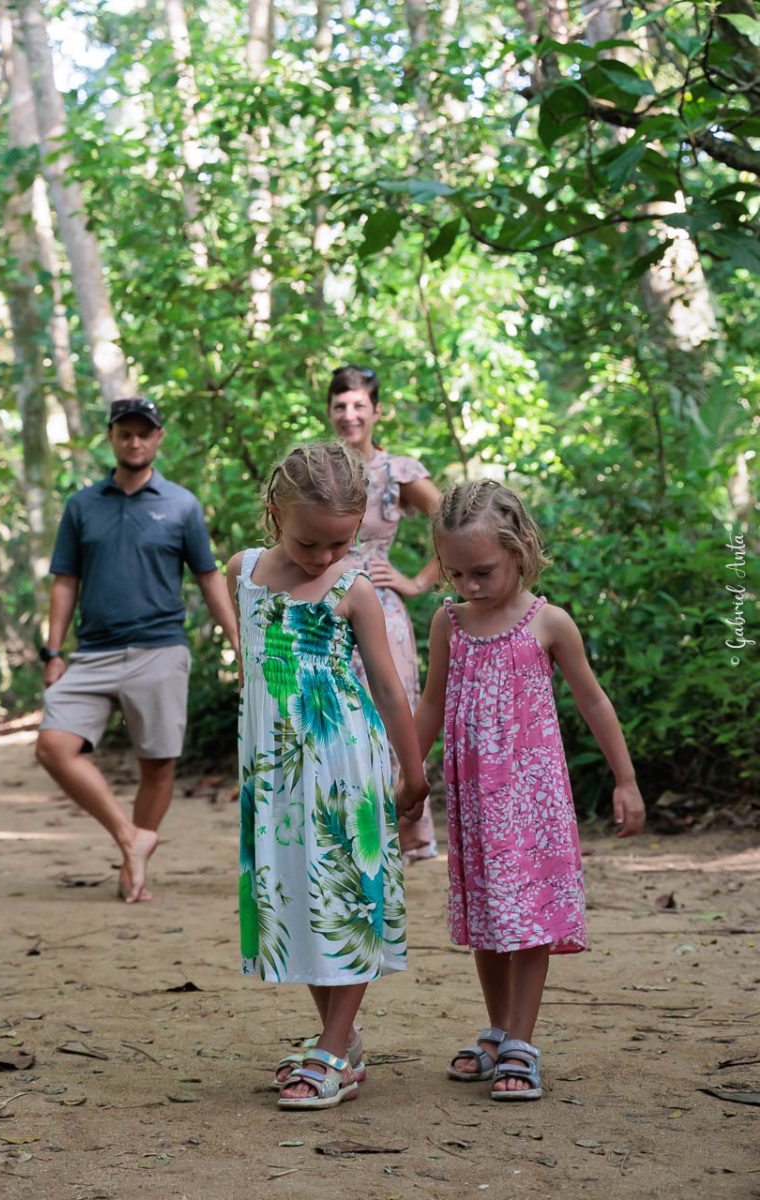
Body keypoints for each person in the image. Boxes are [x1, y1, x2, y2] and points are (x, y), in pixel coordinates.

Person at [413, 479, 645, 1101]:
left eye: (482, 571)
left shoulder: (549, 623)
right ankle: (494, 1030)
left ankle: (522, 1040)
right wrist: (408, 772)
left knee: (529, 919)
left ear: (520, 549)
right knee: (488, 917)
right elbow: (431, 702)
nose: (469, 585)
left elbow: (593, 701)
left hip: (531, 799)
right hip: (472, 799)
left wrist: (625, 781)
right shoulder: (449, 623)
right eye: (456, 573)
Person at [226, 442, 429, 1111]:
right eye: (311, 543)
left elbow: (392, 692)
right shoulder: (243, 573)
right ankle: (339, 1040)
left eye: (339, 545)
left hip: (344, 771)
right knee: (300, 907)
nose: (324, 559)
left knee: (345, 906)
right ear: (276, 511)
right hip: (275, 776)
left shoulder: (355, 589)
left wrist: (413, 774)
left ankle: (333, 1047)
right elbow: (255, 667)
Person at [35, 397, 239, 905]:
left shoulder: (182, 505)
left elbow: (209, 578)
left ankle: (134, 868)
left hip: (160, 650)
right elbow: (65, 581)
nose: (134, 441)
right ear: (112, 437)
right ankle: (130, 837)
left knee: (158, 764)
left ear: (158, 438)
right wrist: (53, 650)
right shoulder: (82, 506)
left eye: (143, 433)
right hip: (93, 652)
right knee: (53, 746)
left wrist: (241, 641)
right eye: (125, 433)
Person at [326, 365, 441, 863]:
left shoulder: (399, 472)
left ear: (376, 411)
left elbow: (457, 519)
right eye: (340, 406)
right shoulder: (321, 467)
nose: (349, 415)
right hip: (325, 606)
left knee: (392, 710)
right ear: (329, 412)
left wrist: (418, 581)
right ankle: (348, 831)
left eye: (358, 405)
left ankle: (408, 833)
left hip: (381, 603)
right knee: (335, 716)